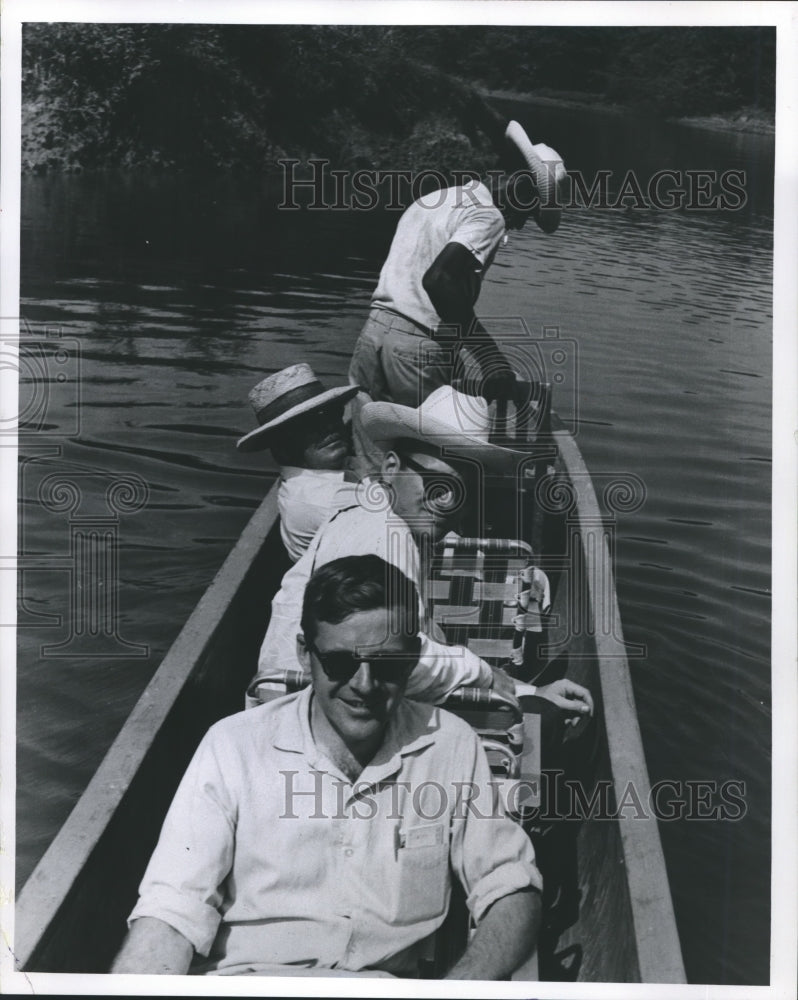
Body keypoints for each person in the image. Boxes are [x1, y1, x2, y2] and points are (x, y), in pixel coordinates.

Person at [111, 556, 542, 979]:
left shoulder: (451, 745)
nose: (364, 685)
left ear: (413, 658)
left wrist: (456, 992)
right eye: (340, 662)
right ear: (305, 654)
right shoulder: (232, 746)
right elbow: (171, 913)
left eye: (387, 664)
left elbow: (511, 888)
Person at [250, 384, 592, 721]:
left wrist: (524, 690)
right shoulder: (385, 534)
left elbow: (413, 646)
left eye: (462, 489)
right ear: (391, 467)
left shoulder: (386, 519)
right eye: (435, 482)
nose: (446, 502)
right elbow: (391, 658)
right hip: (299, 715)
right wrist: (505, 683)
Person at [348, 119, 568, 469]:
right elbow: (439, 281)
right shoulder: (489, 216)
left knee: (367, 456)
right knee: (431, 465)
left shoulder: (437, 197)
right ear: (523, 191)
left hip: (372, 334)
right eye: (529, 210)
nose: (522, 222)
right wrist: (490, 358)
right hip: (416, 349)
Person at [237, 363, 366, 562]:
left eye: (332, 413)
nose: (329, 427)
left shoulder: (311, 479)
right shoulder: (330, 499)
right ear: (282, 446)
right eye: (309, 425)